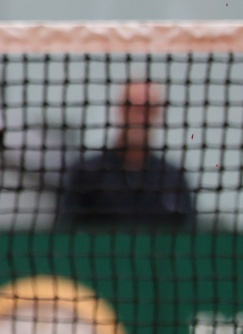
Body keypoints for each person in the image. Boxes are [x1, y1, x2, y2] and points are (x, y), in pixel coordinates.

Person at [58, 79, 196, 228]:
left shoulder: (173, 180)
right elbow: (67, 233)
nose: (140, 117)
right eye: (133, 107)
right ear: (121, 110)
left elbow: (189, 235)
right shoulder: (87, 174)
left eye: (148, 110)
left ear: (158, 114)